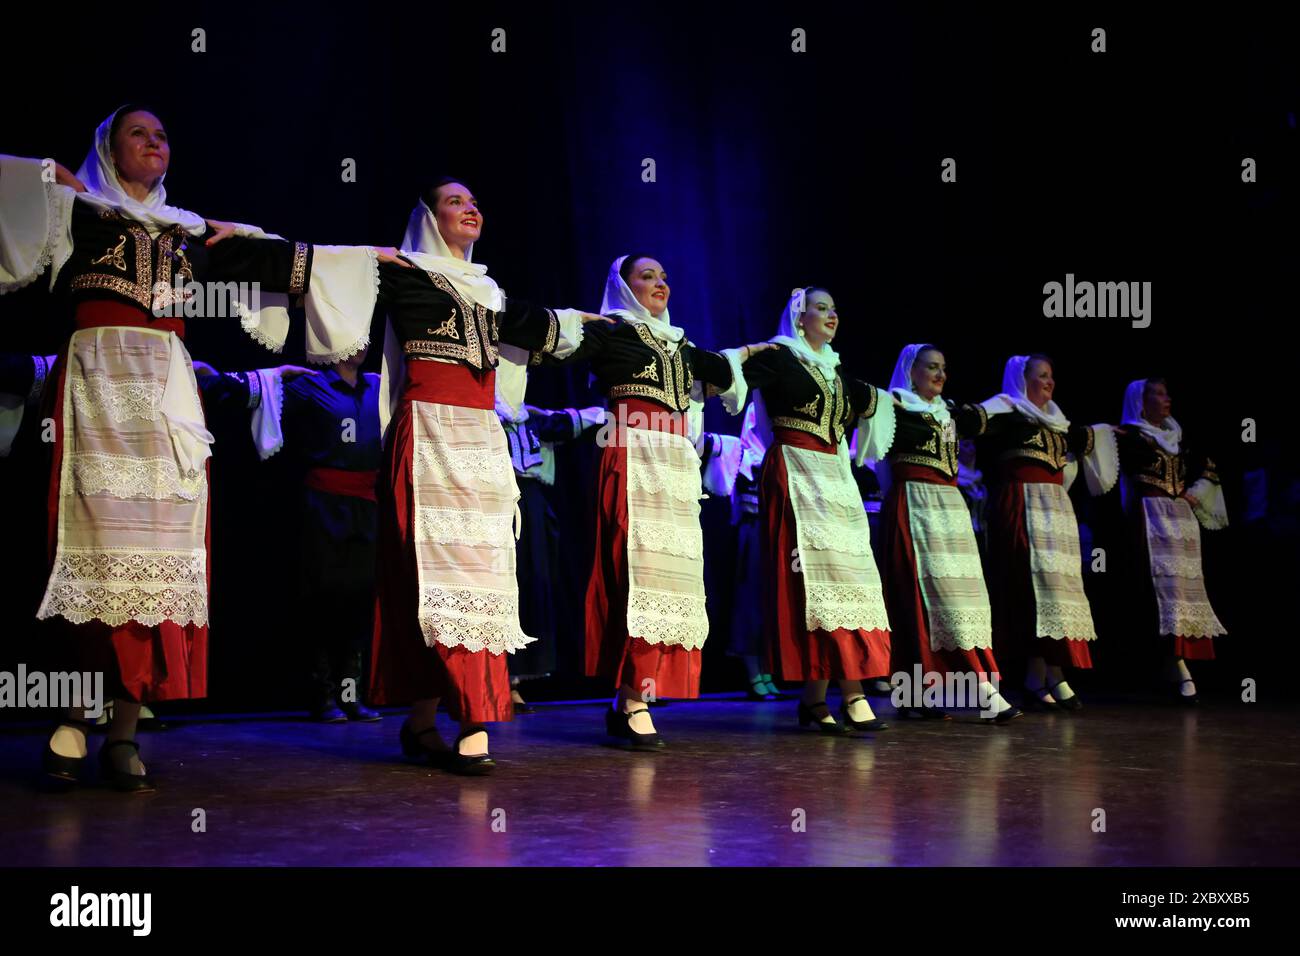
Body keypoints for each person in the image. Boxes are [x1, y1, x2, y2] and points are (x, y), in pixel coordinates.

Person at [0, 105, 394, 790]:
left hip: (167, 398)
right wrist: (48, 177)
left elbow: (282, 257)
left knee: (158, 553)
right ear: (107, 149)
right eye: (137, 134)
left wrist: (370, 259)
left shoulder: (189, 233)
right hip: (97, 381)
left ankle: (123, 729)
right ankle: (70, 714)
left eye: (162, 135)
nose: (154, 143)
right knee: (93, 548)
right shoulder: (80, 211)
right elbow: (13, 187)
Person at [363, 181, 607, 773]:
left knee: (483, 579)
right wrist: (245, 241)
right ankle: (450, 717)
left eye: (474, 203)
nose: (471, 208)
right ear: (427, 217)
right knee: (431, 578)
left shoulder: (491, 295)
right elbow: (316, 269)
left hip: (480, 442)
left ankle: (448, 719)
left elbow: (553, 327)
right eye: (455, 202)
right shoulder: (401, 273)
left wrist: (612, 329)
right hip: (427, 435)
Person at [542, 253, 766, 749]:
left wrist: (749, 352)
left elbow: (724, 373)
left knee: (670, 578)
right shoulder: (613, 331)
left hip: (674, 462)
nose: (660, 283)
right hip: (632, 454)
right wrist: (574, 321)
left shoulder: (679, 344)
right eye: (647, 276)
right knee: (635, 573)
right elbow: (555, 343)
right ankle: (632, 698)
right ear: (623, 287)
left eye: (665, 276)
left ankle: (631, 698)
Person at [737, 288, 897, 734]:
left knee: (849, 584)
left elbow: (881, 406)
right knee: (816, 586)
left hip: (836, 478)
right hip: (797, 472)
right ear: (800, 316)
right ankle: (850, 694)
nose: (831, 315)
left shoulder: (837, 371)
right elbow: (726, 380)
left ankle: (816, 699)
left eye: (835, 309)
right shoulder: (779, 356)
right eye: (821, 308)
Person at [868, 344, 1022, 723]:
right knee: (917, 601)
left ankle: (921, 694)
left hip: (950, 508)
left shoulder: (949, 411)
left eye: (943, 368)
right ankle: (970, 691)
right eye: (931, 367)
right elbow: (871, 453)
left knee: (962, 598)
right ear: (912, 370)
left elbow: (989, 414)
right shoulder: (896, 406)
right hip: (915, 505)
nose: (940, 374)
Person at [979, 354, 1118, 711]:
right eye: (1041, 375)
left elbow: (1090, 439)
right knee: (1030, 590)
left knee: (1056, 592)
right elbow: (973, 422)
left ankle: (1044, 672)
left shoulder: (1059, 423)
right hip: (1022, 506)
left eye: (1051, 376)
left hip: (1056, 511)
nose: (1049, 382)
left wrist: (1112, 433)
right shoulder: (1008, 414)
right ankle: (1042, 674)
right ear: (1022, 379)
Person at [494, 348, 604, 710]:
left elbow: (580, 419)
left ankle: (513, 680)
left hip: (532, 505)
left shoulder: (534, 418)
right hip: (494, 501)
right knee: (498, 586)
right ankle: (491, 677)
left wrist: (613, 411)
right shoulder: (480, 416)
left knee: (531, 586)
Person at [1116, 378, 1227, 704]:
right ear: (1142, 400)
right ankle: (1172, 662)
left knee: (1185, 591)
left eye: (1167, 393)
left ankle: (1177, 661)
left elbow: (1210, 468)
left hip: (1180, 520)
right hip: (1150, 517)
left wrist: (1193, 495)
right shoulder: (1131, 436)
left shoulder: (1179, 436)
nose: (1167, 400)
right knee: (1160, 592)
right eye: (1159, 394)